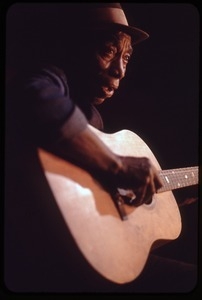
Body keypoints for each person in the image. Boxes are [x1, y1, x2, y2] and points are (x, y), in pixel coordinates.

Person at [5, 3, 198, 294]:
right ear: (72, 46)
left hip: (97, 256)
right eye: (108, 51)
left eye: (127, 58)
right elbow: (33, 97)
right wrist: (117, 165)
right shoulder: (51, 78)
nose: (120, 70)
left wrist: (163, 196)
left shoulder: (93, 119)